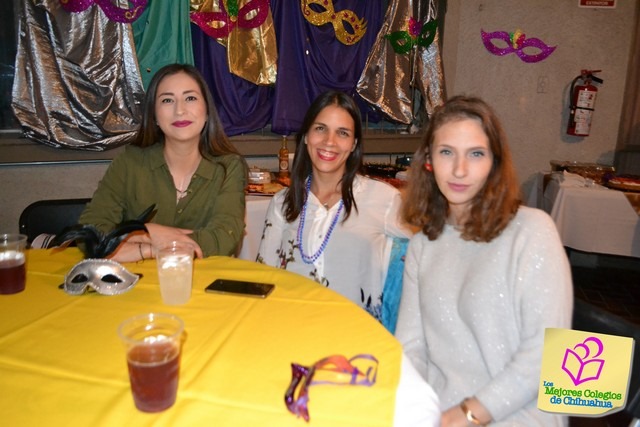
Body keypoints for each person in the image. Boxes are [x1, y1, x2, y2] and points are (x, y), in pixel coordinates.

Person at [396, 96, 573, 426]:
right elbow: (411, 348)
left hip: (517, 413)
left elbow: (547, 354)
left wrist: (467, 414)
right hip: (438, 411)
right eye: (447, 152)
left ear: (494, 162)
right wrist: (410, 407)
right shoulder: (423, 244)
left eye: (475, 154)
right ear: (429, 161)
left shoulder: (532, 231)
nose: (460, 169)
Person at [256, 90, 413, 321]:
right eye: (320, 128)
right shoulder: (282, 203)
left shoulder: (383, 199)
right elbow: (263, 278)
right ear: (306, 136)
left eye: (342, 133)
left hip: (356, 339)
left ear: (353, 144)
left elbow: (433, 243)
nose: (329, 142)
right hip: (291, 329)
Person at [79, 64, 247, 261]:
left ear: (207, 110)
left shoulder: (229, 167)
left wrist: (133, 239)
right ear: (154, 115)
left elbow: (222, 239)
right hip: (136, 286)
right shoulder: (130, 162)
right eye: (167, 100)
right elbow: (90, 233)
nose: (180, 110)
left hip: (203, 286)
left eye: (190, 98)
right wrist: (148, 238)